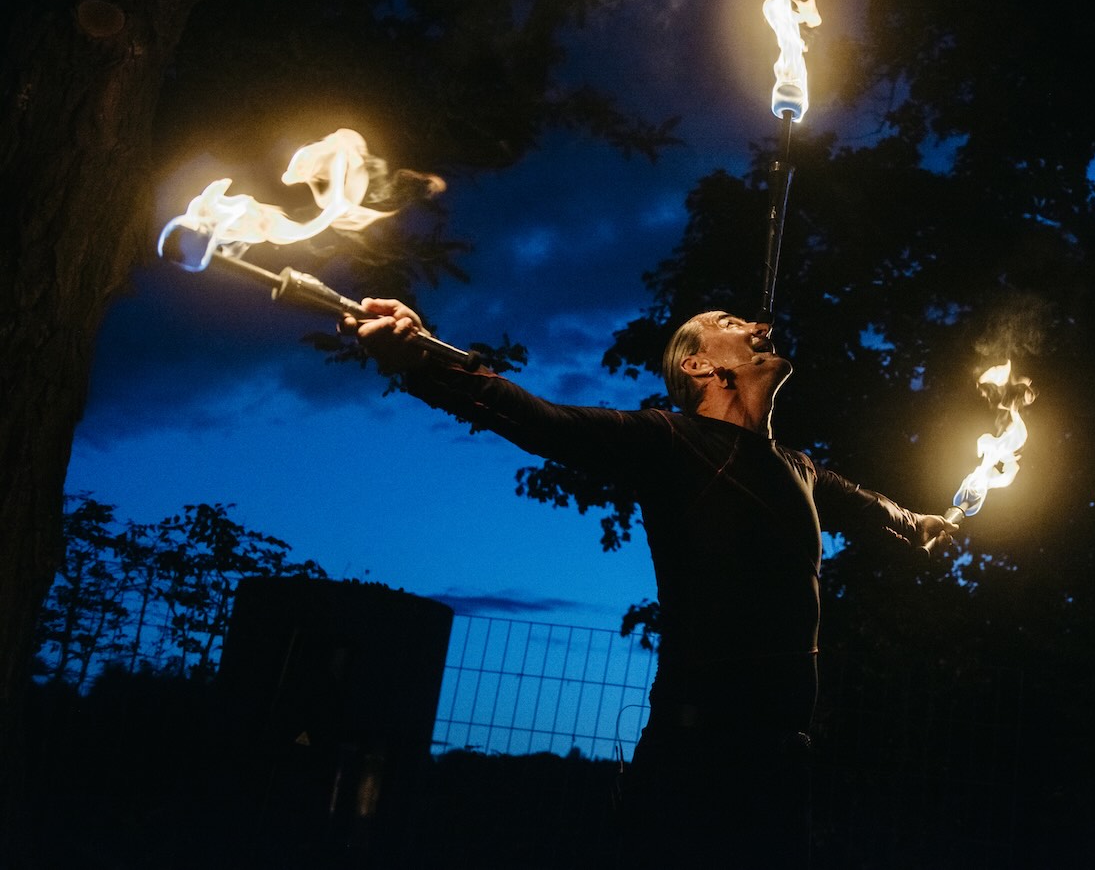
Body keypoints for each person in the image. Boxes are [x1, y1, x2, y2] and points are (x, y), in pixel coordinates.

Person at [345, 301, 957, 867]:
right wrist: (420, 358)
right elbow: (539, 420)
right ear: (700, 365)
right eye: (728, 320)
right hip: (696, 750)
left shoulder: (797, 467)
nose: (755, 323)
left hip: (782, 758)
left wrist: (921, 525)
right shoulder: (668, 438)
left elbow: (874, 507)